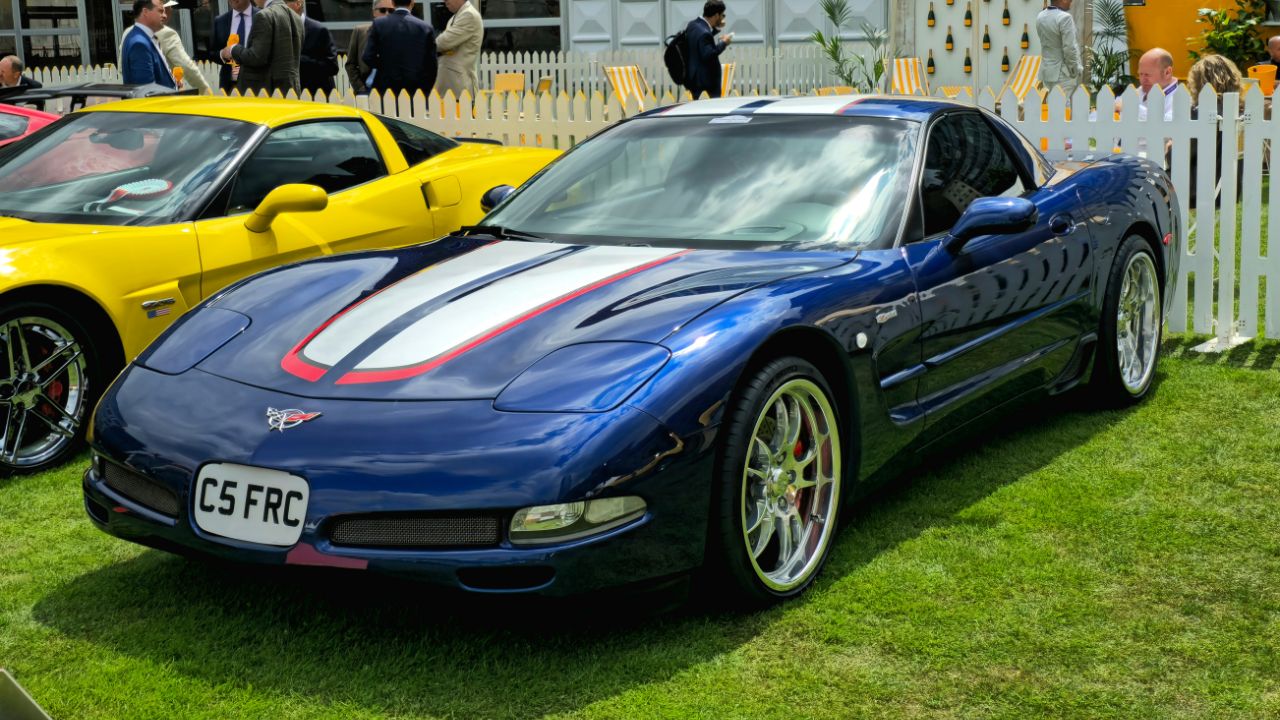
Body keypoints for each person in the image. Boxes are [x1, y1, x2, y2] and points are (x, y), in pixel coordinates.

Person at [1180, 54, 1244, 207]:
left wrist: (1170, 148)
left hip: (1198, 187)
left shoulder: (1198, 113)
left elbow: (1183, 155)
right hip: (1230, 186)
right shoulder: (1240, 112)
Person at [221, 0, 303, 95]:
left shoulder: (264, 15)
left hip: (266, 92)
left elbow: (256, 57)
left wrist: (232, 49)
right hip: (290, 90)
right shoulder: (296, 17)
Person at [362, 0, 437, 98]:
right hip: (416, 86)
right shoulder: (425, 27)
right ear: (412, 3)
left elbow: (367, 57)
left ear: (393, 3)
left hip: (385, 84)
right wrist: (426, 86)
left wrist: (385, 66)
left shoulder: (379, 24)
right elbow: (432, 64)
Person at [154, 3, 213, 93]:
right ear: (164, 10)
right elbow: (186, 66)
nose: (172, 10)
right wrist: (205, 90)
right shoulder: (167, 34)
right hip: (164, 96)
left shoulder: (130, 33)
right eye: (170, 7)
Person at [285, 0, 338, 95]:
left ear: (298, 3)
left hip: (317, 95)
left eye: (284, 3)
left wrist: (299, 60)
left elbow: (332, 66)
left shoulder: (319, 30)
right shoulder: (278, 29)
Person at [121, 0, 177, 88]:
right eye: (160, 11)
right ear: (145, 12)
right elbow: (147, 91)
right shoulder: (139, 43)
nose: (165, 16)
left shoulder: (144, 38)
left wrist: (174, 83)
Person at [683, 0, 732, 98]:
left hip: (694, 79)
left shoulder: (693, 25)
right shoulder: (704, 33)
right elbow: (708, 54)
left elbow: (701, 40)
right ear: (716, 15)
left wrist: (715, 29)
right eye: (723, 15)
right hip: (706, 83)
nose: (723, 18)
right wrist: (724, 43)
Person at [434, 0, 482, 98]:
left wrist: (424, 45)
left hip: (459, 85)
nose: (444, 1)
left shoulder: (468, 15)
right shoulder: (457, 16)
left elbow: (444, 42)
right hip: (453, 83)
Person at [1036, 0, 1082, 99]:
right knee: (1063, 108)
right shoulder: (1065, 17)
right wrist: (1074, 70)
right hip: (1063, 73)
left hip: (1047, 71)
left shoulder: (1040, 16)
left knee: (1052, 105)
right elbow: (1069, 48)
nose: (1071, 1)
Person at [345, 0, 394, 95]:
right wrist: (360, 88)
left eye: (391, 11)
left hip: (392, 90)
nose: (387, 14)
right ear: (374, 12)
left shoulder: (400, 33)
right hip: (366, 88)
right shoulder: (360, 31)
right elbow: (350, 64)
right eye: (383, 10)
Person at [209, 0, 258, 92]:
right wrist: (222, 54)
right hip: (229, 84)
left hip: (257, 83)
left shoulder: (262, 16)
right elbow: (212, 53)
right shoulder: (220, 21)